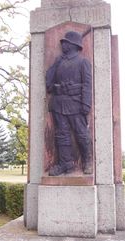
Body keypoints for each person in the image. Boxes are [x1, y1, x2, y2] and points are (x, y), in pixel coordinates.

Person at [46, 31, 92, 176]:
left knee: (82, 135)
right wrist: (56, 64)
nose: (63, 44)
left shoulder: (82, 62)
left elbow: (87, 84)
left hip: (76, 103)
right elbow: (48, 81)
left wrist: (86, 104)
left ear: (73, 45)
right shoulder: (59, 61)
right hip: (59, 103)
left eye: (65, 42)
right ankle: (66, 164)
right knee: (62, 135)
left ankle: (87, 161)